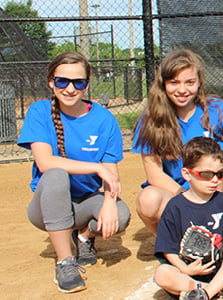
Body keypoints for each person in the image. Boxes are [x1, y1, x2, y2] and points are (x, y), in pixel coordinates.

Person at [19, 51, 131, 293]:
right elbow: (46, 163)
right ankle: (65, 262)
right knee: (57, 174)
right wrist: (95, 167)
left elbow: (111, 173)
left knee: (120, 215)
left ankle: (83, 238)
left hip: (84, 202)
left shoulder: (104, 119)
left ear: (87, 84)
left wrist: (110, 202)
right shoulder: (39, 112)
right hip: (45, 207)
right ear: (51, 81)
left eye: (78, 83)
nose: (70, 89)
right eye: (62, 81)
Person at [133, 49, 223, 234]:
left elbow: (218, 171)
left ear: (199, 83)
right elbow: (154, 175)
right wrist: (187, 202)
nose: (182, 90)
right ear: (163, 83)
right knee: (147, 200)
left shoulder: (216, 111)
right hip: (172, 194)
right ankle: (168, 242)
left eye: (190, 82)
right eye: (174, 82)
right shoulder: (151, 119)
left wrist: (208, 203)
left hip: (208, 192)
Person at [153, 137, 223, 300]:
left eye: (220, 174)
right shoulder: (175, 207)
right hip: (187, 273)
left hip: (219, 269)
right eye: (206, 174)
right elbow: (167, 248)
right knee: (162, 274)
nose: (214, 180)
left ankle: (203, 294)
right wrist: (185, 269)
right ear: (186, 173)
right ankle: (216, 290)